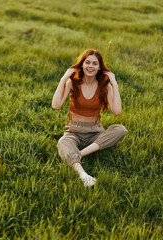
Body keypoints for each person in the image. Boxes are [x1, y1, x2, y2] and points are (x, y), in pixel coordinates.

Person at [52, 49, 127, 187]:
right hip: (74, 131)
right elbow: (56, 105)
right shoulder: (72, 82)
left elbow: (117, 111)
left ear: (99, 67)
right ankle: (83, 175)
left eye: (94, 63)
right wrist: (64, 78)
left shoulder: (105, 86)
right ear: (82, 65)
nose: (90, 66)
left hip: (94, 132)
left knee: (121, 130)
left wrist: (114, 83)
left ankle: (78, 154)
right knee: (63, 142)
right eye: (87, 62)